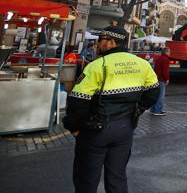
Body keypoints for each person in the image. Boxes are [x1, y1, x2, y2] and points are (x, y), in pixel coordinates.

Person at [63, 25, 160, 193]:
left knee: (86, 179)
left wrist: (73, 126)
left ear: (112, 42)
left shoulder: (96, 65)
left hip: (95, 131)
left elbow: (78, 102)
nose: (99, 43)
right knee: (117, 178)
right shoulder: (142, 64)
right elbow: (153, 93)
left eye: (102, 40)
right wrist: (137, 111)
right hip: (124, 129)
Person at [149, 47, 170, 116]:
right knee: (161, 96)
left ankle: (153, 110)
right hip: (161, 80)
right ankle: (158, 110)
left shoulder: (158, 58)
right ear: (166, 52)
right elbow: (165, 71)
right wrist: (167, 79)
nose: (170, 53)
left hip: (156, 79)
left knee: (156, 95)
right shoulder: (165, 59)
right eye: (169, 52)